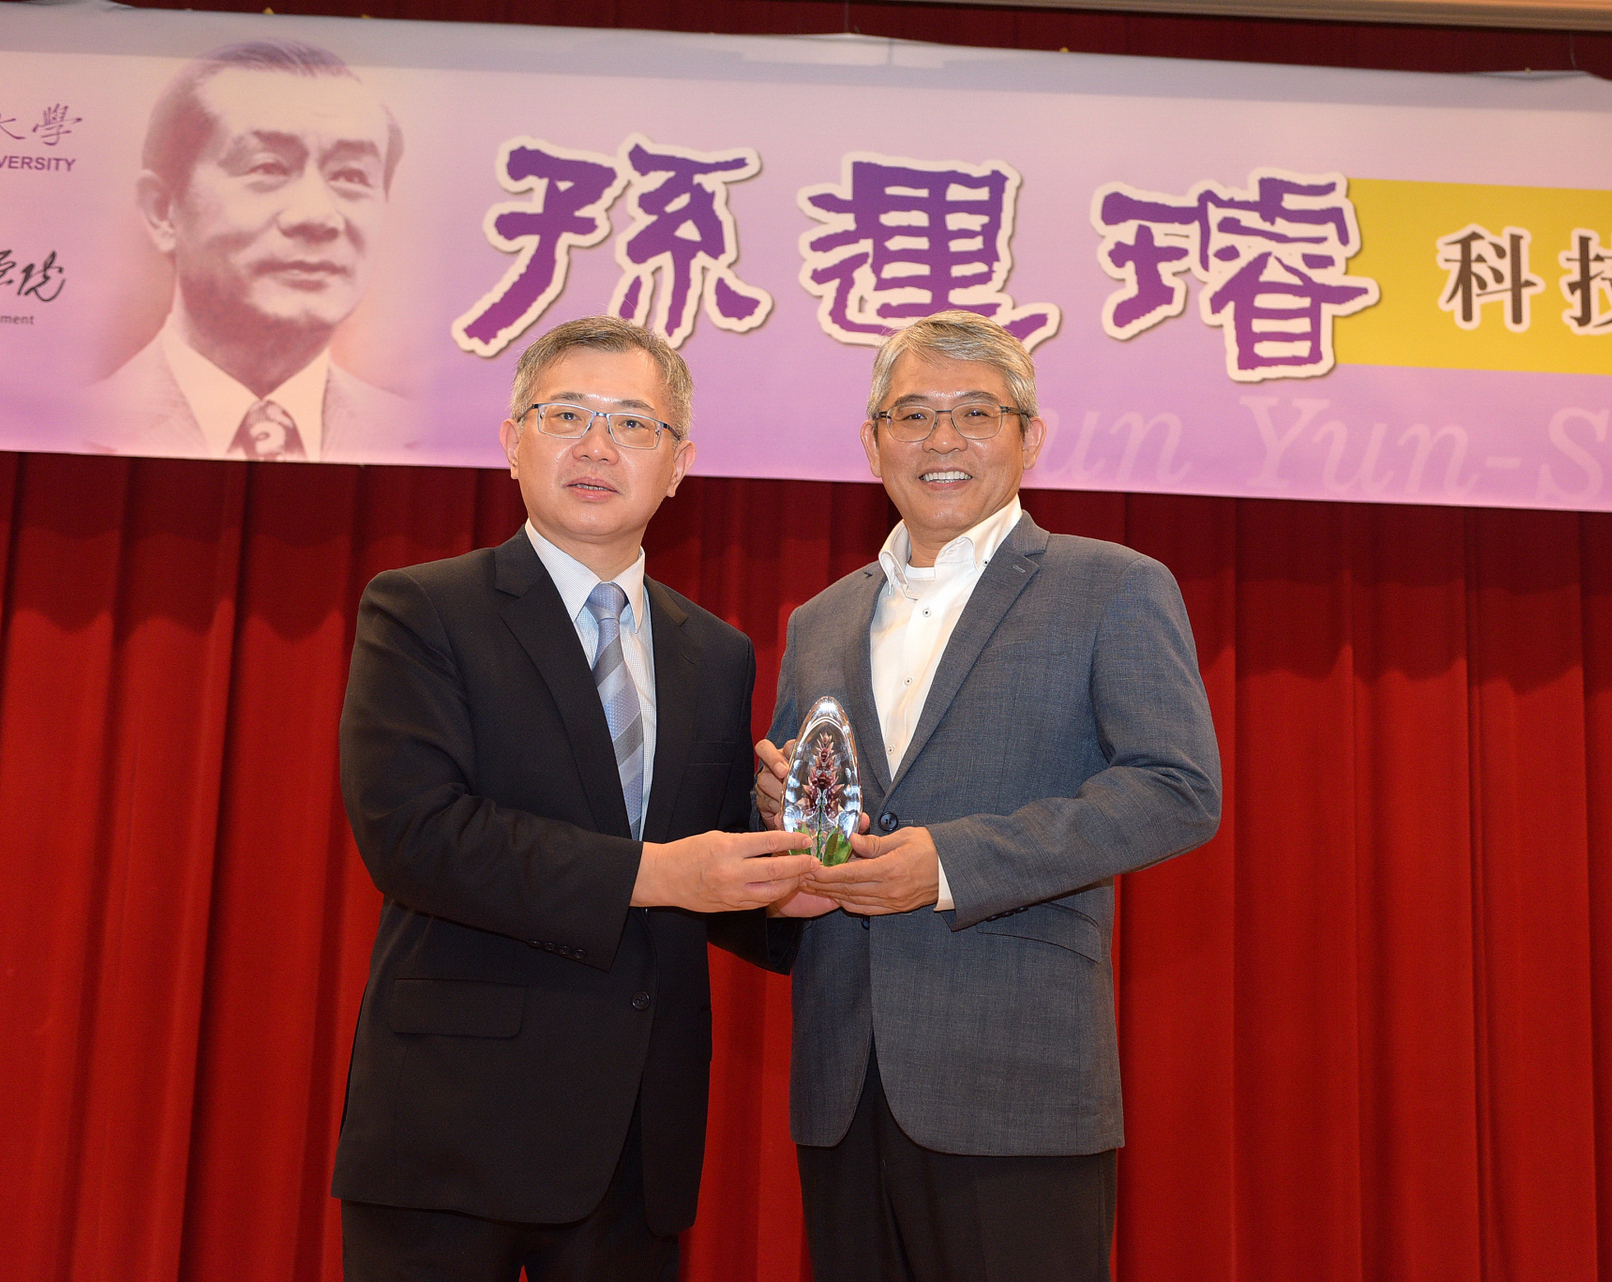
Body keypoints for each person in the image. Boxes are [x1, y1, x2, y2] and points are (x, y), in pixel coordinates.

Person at [333, 315, 816, 1280]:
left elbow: (702, 864)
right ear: (513, 440)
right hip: (451, 1128)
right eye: (567, 416)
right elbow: (416, 837)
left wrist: (783, 873)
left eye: (634, 423)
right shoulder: (424, 608)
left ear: (678, 466)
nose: (598, 446)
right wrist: (660, 873)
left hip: (637, 1143)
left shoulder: (715, 652)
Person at [754, 310, 1223, 1281]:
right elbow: (818, 820)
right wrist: (788, 829)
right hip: (842, 1084)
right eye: (912, 414)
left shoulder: (1112, 586)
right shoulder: (820, 620)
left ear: (1029, 436)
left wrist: (950, 866)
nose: (942, 439)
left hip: (1017, 1079)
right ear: (872, 441)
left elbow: (1177, 789)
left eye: (976, 412)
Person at [87, 40, 412, 462]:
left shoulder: (419, 439)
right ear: (163, 211)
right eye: (268, 167)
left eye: (351, 176)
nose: (317, 216)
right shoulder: (73, 427)